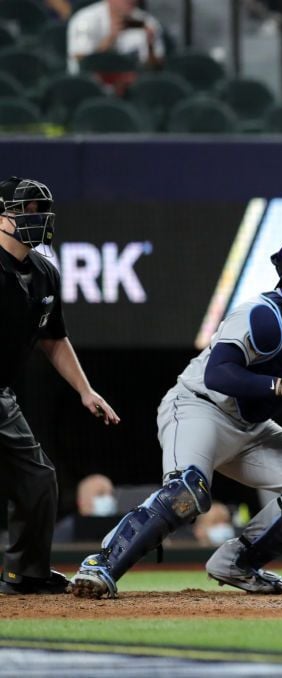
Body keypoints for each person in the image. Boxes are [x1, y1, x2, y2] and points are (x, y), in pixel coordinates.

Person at [70, 231, 282, 599]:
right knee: (187, 492)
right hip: (200, 407)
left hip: (252, 427)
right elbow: (218, 373)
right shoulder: (261, 314)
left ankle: (237, 563)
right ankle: (102, 564)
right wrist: (280, 386)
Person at [0, 176, 120, 595]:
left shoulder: (44, 272)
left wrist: (85, 390)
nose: (36, 218)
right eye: (24, 210)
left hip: (1, 396)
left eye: (40, 210)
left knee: (38, 480)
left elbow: (53, 338)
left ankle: (25, 574)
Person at [67, 0, 166, 74]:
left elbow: (155, 70)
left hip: (130, 86)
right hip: (92, 84)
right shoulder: (85, 20)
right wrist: (110, 40)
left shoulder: (147, 22)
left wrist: (150, 46)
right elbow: (80, 62)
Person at [52, 473, 119, 543]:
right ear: (81, 502)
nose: (109, 499)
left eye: (111, 494)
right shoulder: (67, 529)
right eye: (100, 493)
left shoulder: (120, 527)